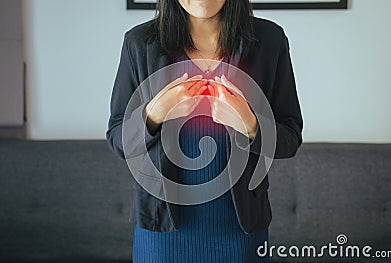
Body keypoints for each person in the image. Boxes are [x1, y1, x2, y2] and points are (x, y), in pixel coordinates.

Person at [106, 0, 303, 262]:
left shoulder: (269, 40)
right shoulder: (140, 43)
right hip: (162, 231)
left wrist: (250, 124)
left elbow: (290, 137)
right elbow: (118, 139)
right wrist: (154, 114)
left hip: (241, 228)